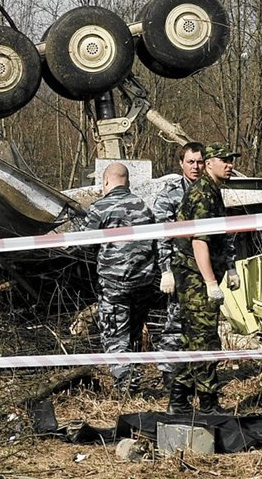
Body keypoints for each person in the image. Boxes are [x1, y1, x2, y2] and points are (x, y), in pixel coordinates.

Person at [150, 142, 240, 388]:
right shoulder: (176, 194)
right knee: (180, 326)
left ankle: (183, 388)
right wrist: (166, 270)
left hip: (203, 269)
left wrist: (230, 265)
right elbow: (165, 235)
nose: (196, 167)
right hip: (186, 270)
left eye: (199, 162)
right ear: (181, 164)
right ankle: (174, 378)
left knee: (196, 331)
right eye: (191, 162)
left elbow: (222, 235)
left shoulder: (212, 190)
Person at [82, 162, 158, 394]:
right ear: (128, 182)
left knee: (115, 334)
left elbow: (84, 243)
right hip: (143, 282)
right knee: (134, 332)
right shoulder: (144, 207)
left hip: (114, 284)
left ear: (106, 181)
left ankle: (126, 385)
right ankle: (133, 377)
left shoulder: (100, 208)